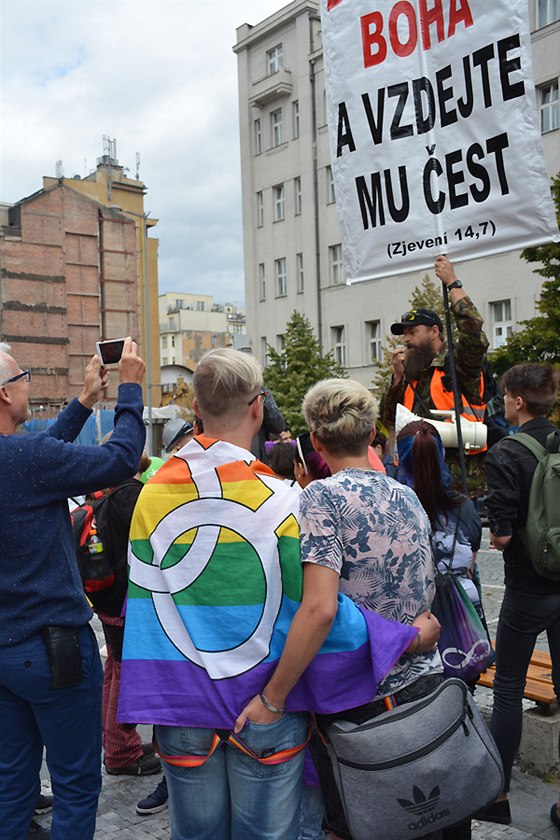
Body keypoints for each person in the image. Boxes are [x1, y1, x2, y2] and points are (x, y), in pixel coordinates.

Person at [118, 349, 431, 840]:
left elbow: (149, 602)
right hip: (263, 701)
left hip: (181, 701)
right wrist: (401, 637)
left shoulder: (151, 494)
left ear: (196, 408)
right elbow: (317, 608)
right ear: (259, 407)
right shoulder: (285, 498)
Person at [237, 378, 442, 840]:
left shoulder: (320, 497)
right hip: (424, 685)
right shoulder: (405, 494)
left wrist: (274, 697)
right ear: (371, 436)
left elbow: (320, 609)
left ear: (315, 441)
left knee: (357, 823)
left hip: (361, 695)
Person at [0, 338, 146, 840]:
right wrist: (130, 387)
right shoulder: (26, 459)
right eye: (22, 379)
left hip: (2, 652)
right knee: (77, 785)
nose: (27, 387)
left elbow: (36, 459)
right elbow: (123, 458)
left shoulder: (24, 459)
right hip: (53, 650)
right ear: (3, 394)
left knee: (12, 785)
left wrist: (84, 402)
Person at [482, 363, 560, 828]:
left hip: (529, 588)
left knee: (508, 687)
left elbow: (503, 539)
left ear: (515, 400)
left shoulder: (507, 452)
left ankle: (498, 796)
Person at [382, 255, 489, 497]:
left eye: (413, 332)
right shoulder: (411, 372)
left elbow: (474, 334)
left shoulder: (456, 364)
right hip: (414, 483)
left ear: (434, 332)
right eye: (404, 334)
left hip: (455, 483)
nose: (407, 339)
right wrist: (397, 378)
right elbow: (389, 419)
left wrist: (452, 283)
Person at [397, 420, 482, 612]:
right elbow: (469, 568)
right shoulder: (466, 508)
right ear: (443, 454)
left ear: (398, 459)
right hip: (462, 619)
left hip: (411, 619)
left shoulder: (389, 509)